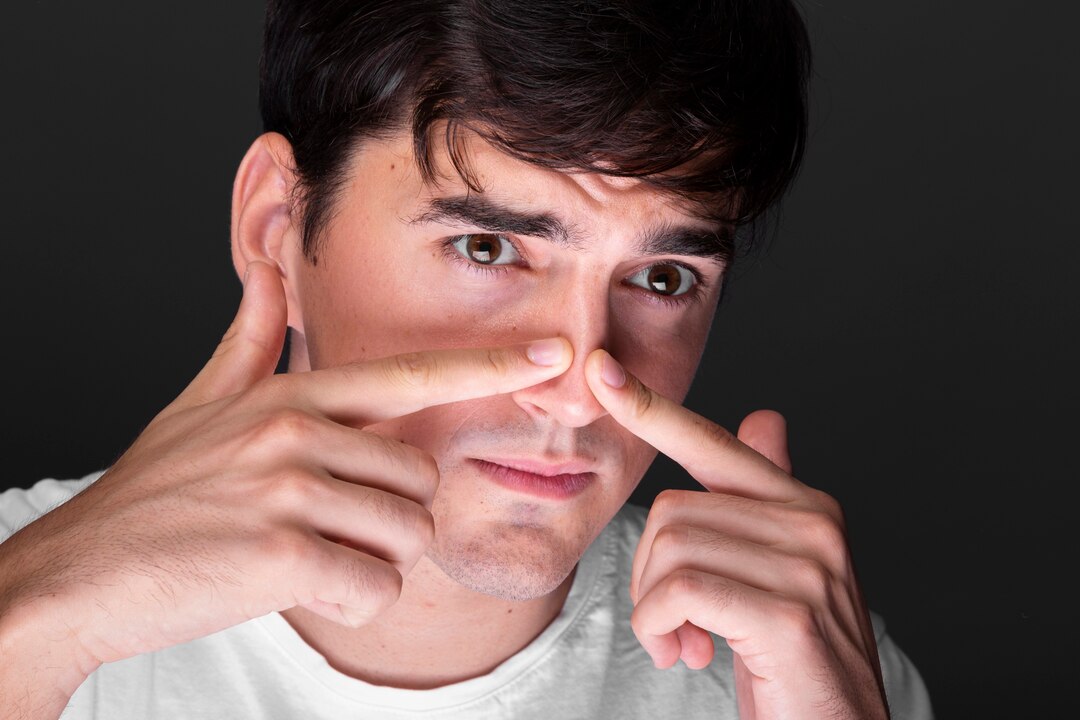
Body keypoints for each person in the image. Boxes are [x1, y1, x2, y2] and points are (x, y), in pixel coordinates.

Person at [0, 0, 933, 717]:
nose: (577, 389)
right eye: (487, 249)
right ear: (278, 226)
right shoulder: (22, 590)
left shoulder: (791, 668)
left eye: (661, 275)